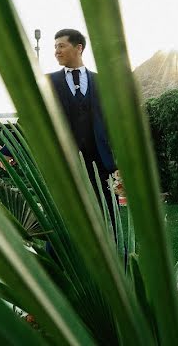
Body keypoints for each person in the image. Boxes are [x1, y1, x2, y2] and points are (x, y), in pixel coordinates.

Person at [48, 29, 118, 224]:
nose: (56, 51)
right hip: (65, 163)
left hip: (101, 163)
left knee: (108, 218)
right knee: (64, 219)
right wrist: (7, 151)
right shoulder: (48, 82)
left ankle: (113, 254)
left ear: (79, 48)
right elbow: (32, 117)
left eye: (61, 46)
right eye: (55, 47)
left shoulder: (102, 81)